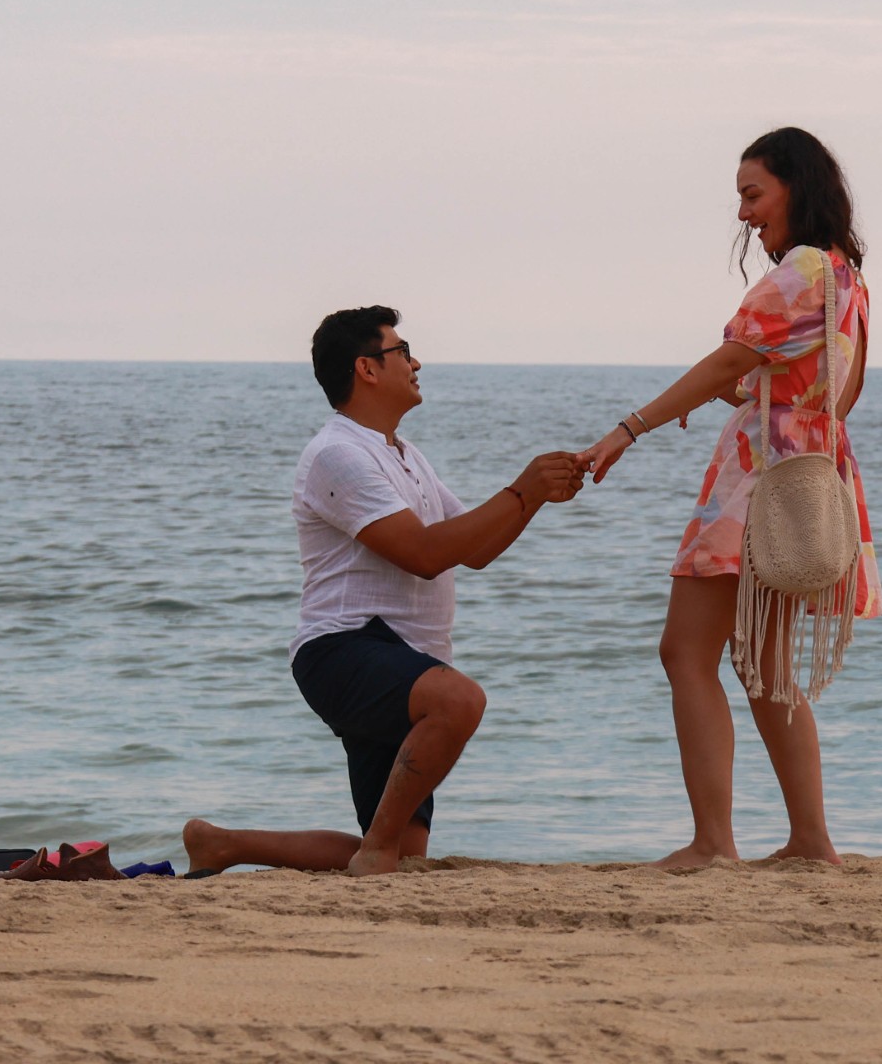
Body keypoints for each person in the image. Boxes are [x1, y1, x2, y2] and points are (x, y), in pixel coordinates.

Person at [184, 306, 586, 877]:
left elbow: (473, 549)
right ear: (367, 369)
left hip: (404, 659)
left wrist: (538, 496)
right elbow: (423, 556)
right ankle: (371, 853)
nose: (416, 362)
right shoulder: (338, 454)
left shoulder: (403, 453)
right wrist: (521, 488)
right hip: (345, 649)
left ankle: (224, 844)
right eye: (403, 351)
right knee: (460, 701)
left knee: (399, 853)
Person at [579, 127, 882, 868]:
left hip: (756, 483)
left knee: (686, 652)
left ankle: (713, 842)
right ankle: (811, 842)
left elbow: (727, 359)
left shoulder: (797, 271)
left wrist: (629, 428)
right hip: (813, 470)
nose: (745, 214)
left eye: (754, 195)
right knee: (767, 663)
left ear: (794, 187)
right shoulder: (848, 277)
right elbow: (843, 394)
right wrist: (754, 396)